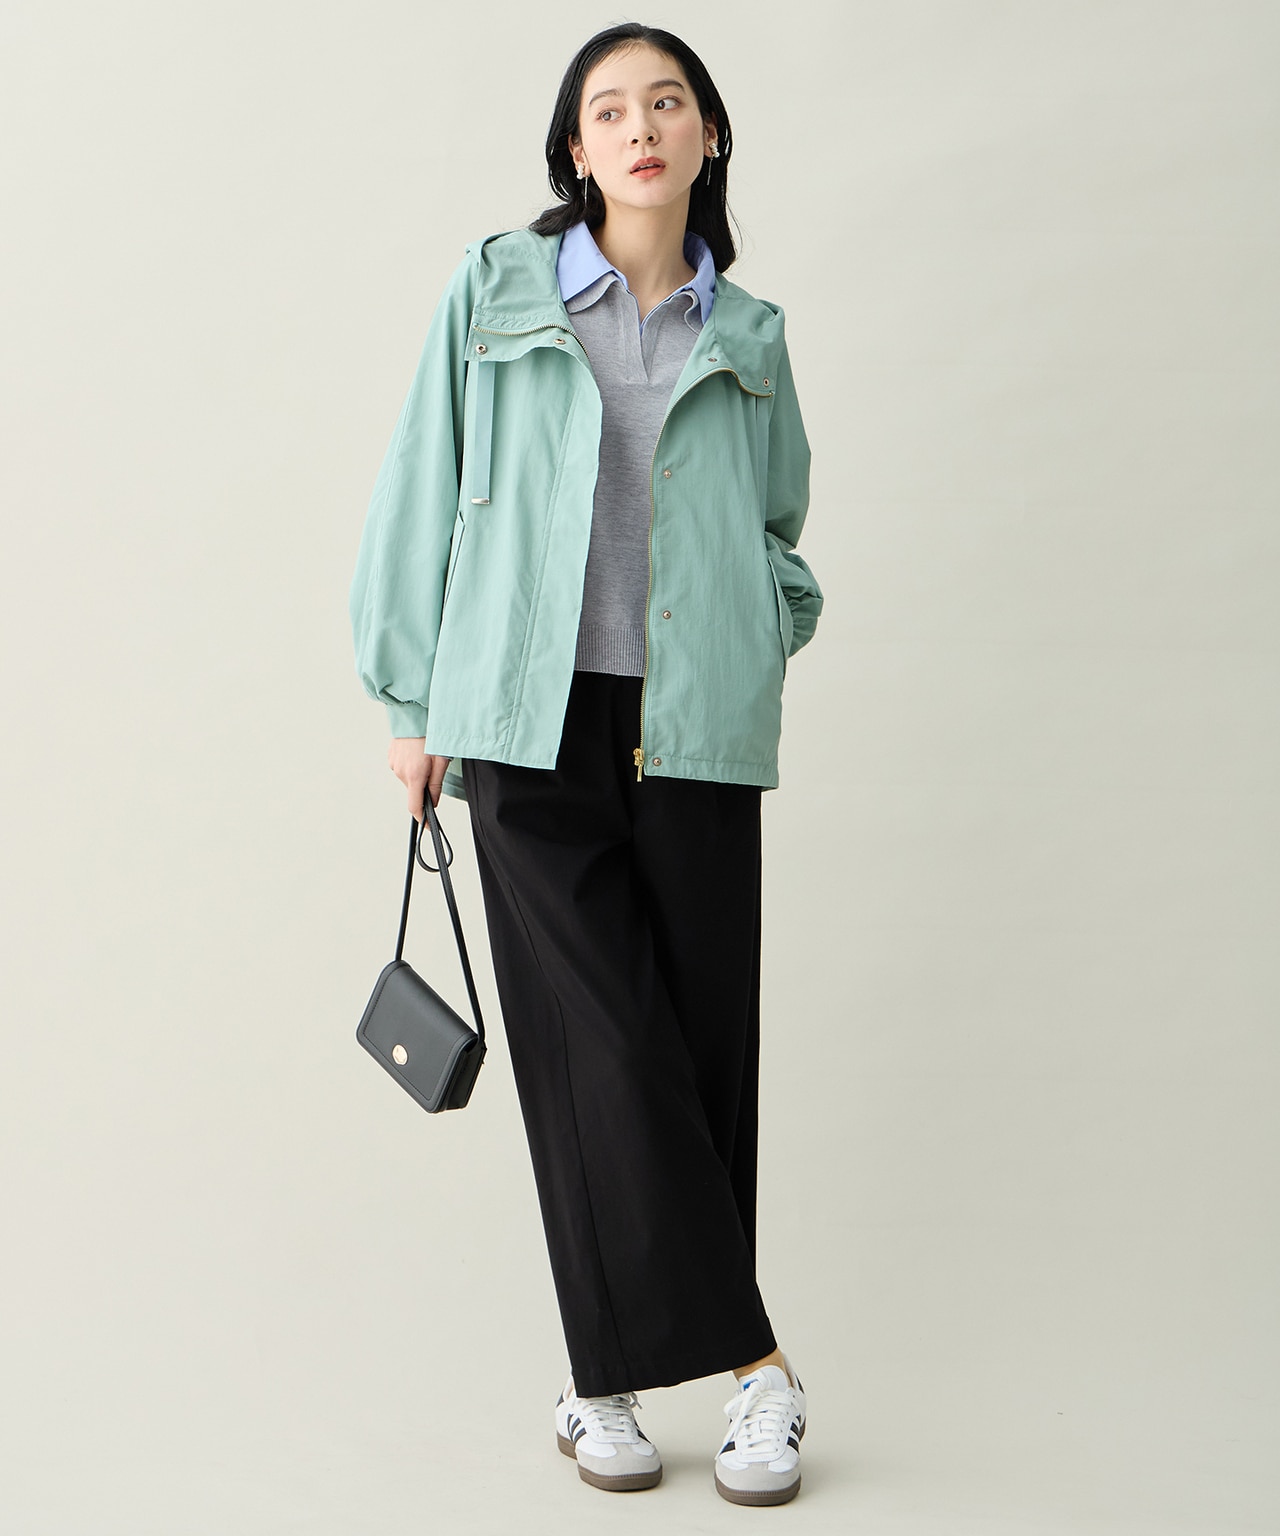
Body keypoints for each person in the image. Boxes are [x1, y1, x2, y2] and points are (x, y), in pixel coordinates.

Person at [348, 21, 823, 1507]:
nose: (640, 128)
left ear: (706, 137)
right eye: (610, 110)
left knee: (700, 1046)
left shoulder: (751, 332)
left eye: (666, 103)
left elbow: (779, 528)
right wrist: (409, 698)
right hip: (523, 715)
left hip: (695, 720)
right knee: (596, 1039)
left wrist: (761, 627)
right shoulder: (497, 289)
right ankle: (755, 1370)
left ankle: (596, 1381)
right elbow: (420, 482)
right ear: (577, 148)